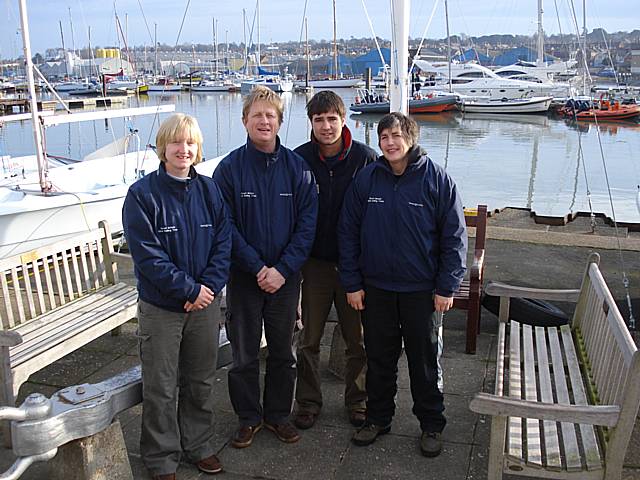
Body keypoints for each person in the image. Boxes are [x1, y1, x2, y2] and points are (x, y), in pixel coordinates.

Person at [338, 112, 467, 458]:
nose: (390, 143)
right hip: (376, 288)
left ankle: (431, 424)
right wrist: (352, 282)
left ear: (410, 139)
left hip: (422, 291)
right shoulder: (368, 180)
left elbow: (454, 238)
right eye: (384, 137)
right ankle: (378, 418)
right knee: (378, 359)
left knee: (424, 361)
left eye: (396, 136)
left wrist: (447, 286)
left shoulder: (437, 180)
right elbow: (348, 233)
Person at [122, 113, 232, 480]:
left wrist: (208, 289)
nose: (183, 149)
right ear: (162, 147)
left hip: (205, 304)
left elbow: (223, 241)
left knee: (200, 381)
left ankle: (198, 444)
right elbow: (148, 256)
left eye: (189, 143)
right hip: (161, 308)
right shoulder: (142, 196)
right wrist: (188, 290)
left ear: (198, 149)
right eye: (175, 142)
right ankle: (161, 458)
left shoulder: (209, 190)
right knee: (161, 386)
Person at [213, 85, 318, 448]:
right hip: (244, 279)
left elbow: (307, 226)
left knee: (283, 353)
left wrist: (283, 270)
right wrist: (257, 267)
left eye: (270, 115)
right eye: (256, 115)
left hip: (285, 280)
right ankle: (248, 418)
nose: (263, 120)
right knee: (242, 356)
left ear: (279, 123)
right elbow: (224, 225)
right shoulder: (228, 170)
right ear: (244, 121)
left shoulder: (297, 169)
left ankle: (277, 415)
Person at [293, 91, 378, 430]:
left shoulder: (366, 159)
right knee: (308, 339)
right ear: (311, 123)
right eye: (319, 120)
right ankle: (308, 402)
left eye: (332, 119)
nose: (326, 126)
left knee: (356, 340)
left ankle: (358, 400)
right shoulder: (299, 159)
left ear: (344, 119)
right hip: (313, 264)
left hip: (352, 266)